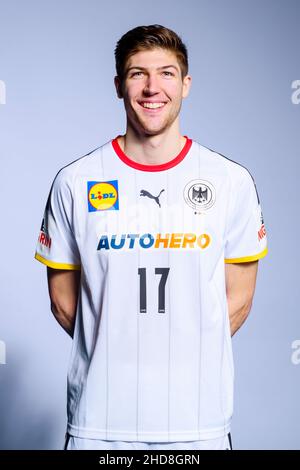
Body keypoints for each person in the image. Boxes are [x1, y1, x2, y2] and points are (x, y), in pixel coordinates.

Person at [35, 24, 268, 451]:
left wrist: (178, 348)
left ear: (186, 84)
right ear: (119, 85)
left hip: (199, 424)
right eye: (137, 73)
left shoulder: (230, 181)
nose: (151, 87)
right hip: (98, 424)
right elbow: (64, 303)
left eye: (166, 73)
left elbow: (238, 300)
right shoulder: (76, 181)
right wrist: (118, 345)